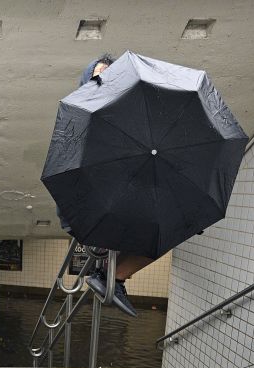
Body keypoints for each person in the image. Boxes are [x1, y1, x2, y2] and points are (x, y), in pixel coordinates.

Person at [73, 54, 155, 317]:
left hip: (122, 196)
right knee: (156, 231)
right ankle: (113, 276)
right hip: (95, 204)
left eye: (112, 75)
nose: (106, 81)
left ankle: (112, 276)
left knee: (166, 229)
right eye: (99, 77)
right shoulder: (83, 119)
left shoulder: (130, 118)